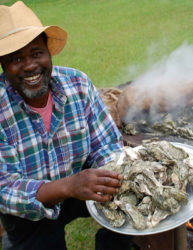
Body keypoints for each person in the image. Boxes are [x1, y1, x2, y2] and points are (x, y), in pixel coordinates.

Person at [0, 1, 133, 249]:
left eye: (36, 53)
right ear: (3, 66)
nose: (29, 65)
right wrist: (69, 186)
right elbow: (5, 189)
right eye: (16, 58)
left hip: (81, 183)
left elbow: (106, 144)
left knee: (129, 204)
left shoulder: (78, 84)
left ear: (48, 53)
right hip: (30, 207)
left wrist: (106, 174)